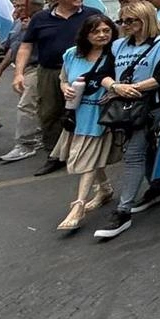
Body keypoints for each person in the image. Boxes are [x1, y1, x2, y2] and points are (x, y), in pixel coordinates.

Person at [90, 2, 160, 240]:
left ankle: (123, 210)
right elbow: (101, 74)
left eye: (130, 21)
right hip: (124, 104)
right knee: (146, 150)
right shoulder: (117, 46)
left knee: (134, 153)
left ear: (144, 21)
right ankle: (156, 187)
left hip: (149, 106)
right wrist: (117, 86)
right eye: (123, 21)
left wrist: (132, 88)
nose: (125, 26)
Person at [13, 0, 102, 176]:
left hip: (83, 72)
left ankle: (82, 153)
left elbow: (107, 38)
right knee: (49, 112)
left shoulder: (92, 15)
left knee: (82, 112)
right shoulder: (41, 18)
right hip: (49, 72)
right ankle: (54, 155)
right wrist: (18, 73)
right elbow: (26, 46)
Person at [53, 14, 120, 231]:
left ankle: (78, 206)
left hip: (100, 117)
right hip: (76, 114)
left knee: (86, 159)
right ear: (86, 34)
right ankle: (104, 189)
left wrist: (113, 92)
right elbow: (63, 79)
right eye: (96, 31)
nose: (101, 35)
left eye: (106, 31)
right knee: (89, 156)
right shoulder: (72, 55)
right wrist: (65, 89)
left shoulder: (117, 54)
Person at [0, 0, 47, 162]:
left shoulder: (44, 21)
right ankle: (38, 135)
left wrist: (32, 30)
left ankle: (25, 144)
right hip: (21, 69)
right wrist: (0, 69)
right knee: (34, 106)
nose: (16, 9)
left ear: (35, 6)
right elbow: (14, 48)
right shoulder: (18, 22)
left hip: (36, 67)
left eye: (20, 6)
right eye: (16, 5)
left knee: (26, 105)